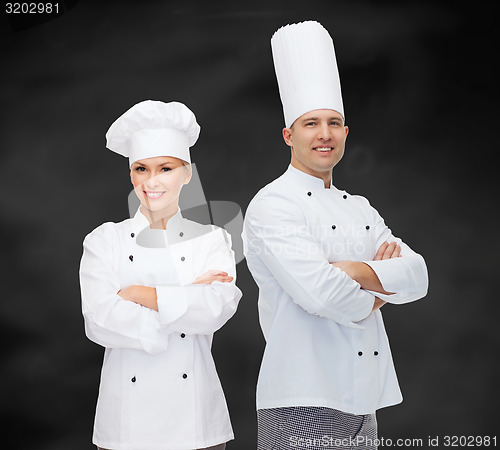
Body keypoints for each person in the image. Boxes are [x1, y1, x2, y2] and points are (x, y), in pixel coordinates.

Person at [242, 21, 429, 449]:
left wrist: (352, 270)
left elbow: (418, 275)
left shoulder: (360, 206)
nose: (324, 134)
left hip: (365, 396)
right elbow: (323, 295)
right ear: (290, 135)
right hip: (300, 398)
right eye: (311, 124)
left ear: (345, 134)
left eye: (334, 123)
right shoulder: (273, 204)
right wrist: (382, 286)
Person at [79, 100, 242, 450]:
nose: (151, 181)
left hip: (197, 422)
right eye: (141, 169)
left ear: (186, 174)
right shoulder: (104, 240)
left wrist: (139, 293)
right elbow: (99, 321)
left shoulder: (213, 238)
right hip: (126, 425)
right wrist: (185, 296)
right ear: (131, 175)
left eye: (165, 168)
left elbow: (217, 308)